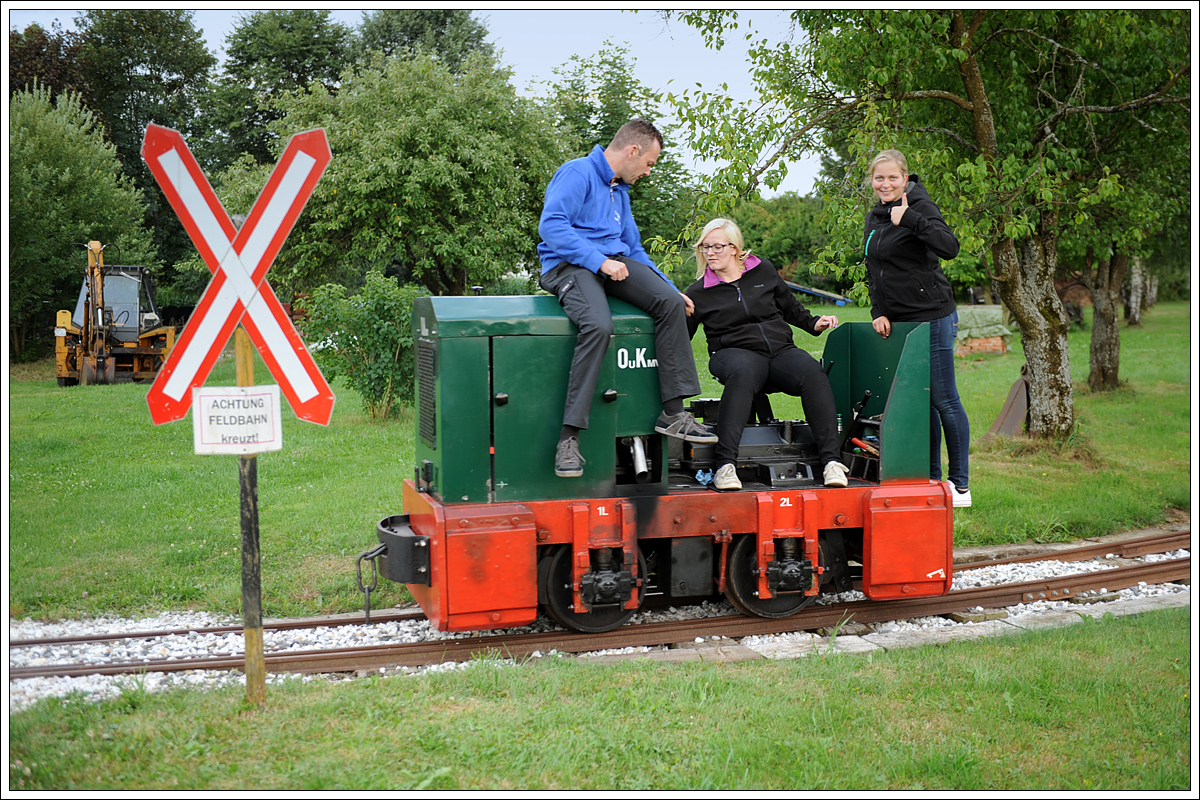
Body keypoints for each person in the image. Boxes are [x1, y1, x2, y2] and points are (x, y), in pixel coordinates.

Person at [538, 119, 716, 478]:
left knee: (669, 304)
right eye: (649, 163)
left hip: (613, 264)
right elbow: (551, 225)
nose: (648, 172)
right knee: (598, 325)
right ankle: (569, 438)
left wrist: (668, 286)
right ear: (632, 151)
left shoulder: (620, 192)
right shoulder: (578, 173)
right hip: (570, 266)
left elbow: (633, 248)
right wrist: (598, 261)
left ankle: (674, 413)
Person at [684, 218, 849, 492]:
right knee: (743, 372)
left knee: (812, 372)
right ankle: (725, 466)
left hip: (779, 351)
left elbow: (789, 306)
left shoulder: (763, 271)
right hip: (733, 353)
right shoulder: (698, 292)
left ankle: (832, 461)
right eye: (704, 247)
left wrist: (813, 323)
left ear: (735, 248)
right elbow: (681, 336)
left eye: (716, 247)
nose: (709, 253)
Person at [863, 149, 971, 507]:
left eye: (893, 177)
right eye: (880, 178)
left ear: (905, 178)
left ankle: (960, 485)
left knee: (943, 399)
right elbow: (873, 269)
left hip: (933, 316)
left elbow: (950, 247)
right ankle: (930, 476)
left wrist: (910, 219)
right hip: (901, 322)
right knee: (920, 401)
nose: (886, 184)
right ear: (872, 181)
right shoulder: (874, 217)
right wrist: (878, 310)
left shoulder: (920, 208)